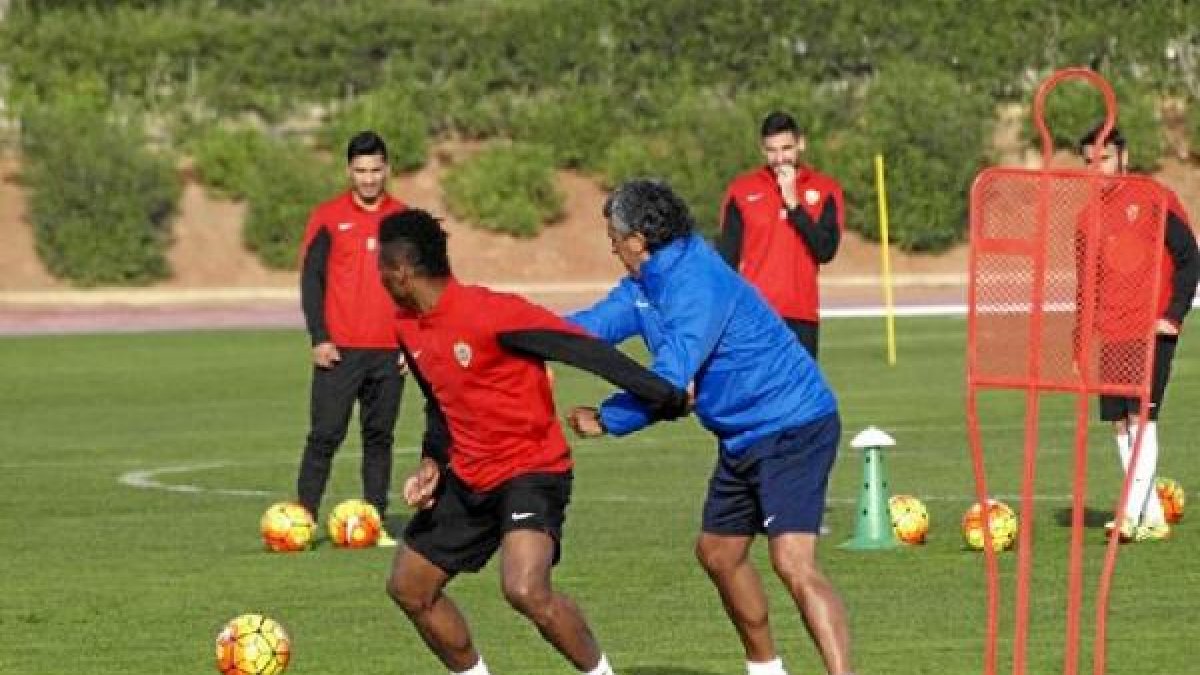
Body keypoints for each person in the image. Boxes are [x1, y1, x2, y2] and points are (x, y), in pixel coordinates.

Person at [379, 208, 687, 675]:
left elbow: (587, 351)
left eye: (380, 266)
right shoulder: (405, 327)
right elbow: (439, 401)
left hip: (531, 469)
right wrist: (431, 462)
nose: (377, 276)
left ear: (401, 270)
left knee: (525, 589)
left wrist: (665, 397)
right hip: (469, 476)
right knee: (410, 587)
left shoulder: (492, 313)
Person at [566, 179, 855, 675]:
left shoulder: (696, 281)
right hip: (742, 435)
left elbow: (671, 380)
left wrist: (611, 418)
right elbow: (587, 327)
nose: (610, 245)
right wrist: (511, 335)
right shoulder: (646, 284)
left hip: (792, 423)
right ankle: (767, 669)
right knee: (719, 553)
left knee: (792, 561)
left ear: (637, 237)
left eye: (613, 236)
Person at [1077, 124, 1198, 542]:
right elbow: (1085, 284)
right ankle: (1152, 518)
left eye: (1105, 159)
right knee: (1120, 424)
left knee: (1142, 418)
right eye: (1089, 163)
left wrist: (1173, 315)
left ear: (1123, 156)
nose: (1098, 169)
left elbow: (1189, 258)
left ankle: (1128, 514)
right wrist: (1081, 337)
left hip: (1150, 329)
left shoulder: (1153, 198)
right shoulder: (1086, 217)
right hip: (1110, 332)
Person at [295, 130, 407, 546]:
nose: (369, 178)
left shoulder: (404, 220)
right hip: (339, 351)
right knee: (324, 437)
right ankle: (301, 523)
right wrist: (319, 337)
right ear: (349, 171)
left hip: (389, 352)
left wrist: (411, 346)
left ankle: (373, 525)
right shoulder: (327, 217)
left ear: (386, 170)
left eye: (376, 170)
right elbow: (312, 280)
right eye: (361, 171)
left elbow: (418, 285)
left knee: (379, 439)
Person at [717, 111, 844, 358]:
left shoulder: (826, 189)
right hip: (753, 316)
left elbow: (825, 250)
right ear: (762, 150)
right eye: (772, 150)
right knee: (752, 395)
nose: (780, 158)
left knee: (799, 396)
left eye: (786, 148)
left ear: (801, 144)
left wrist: (794, 205)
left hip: (801, 316)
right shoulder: (741, 190)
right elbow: (727, 260)